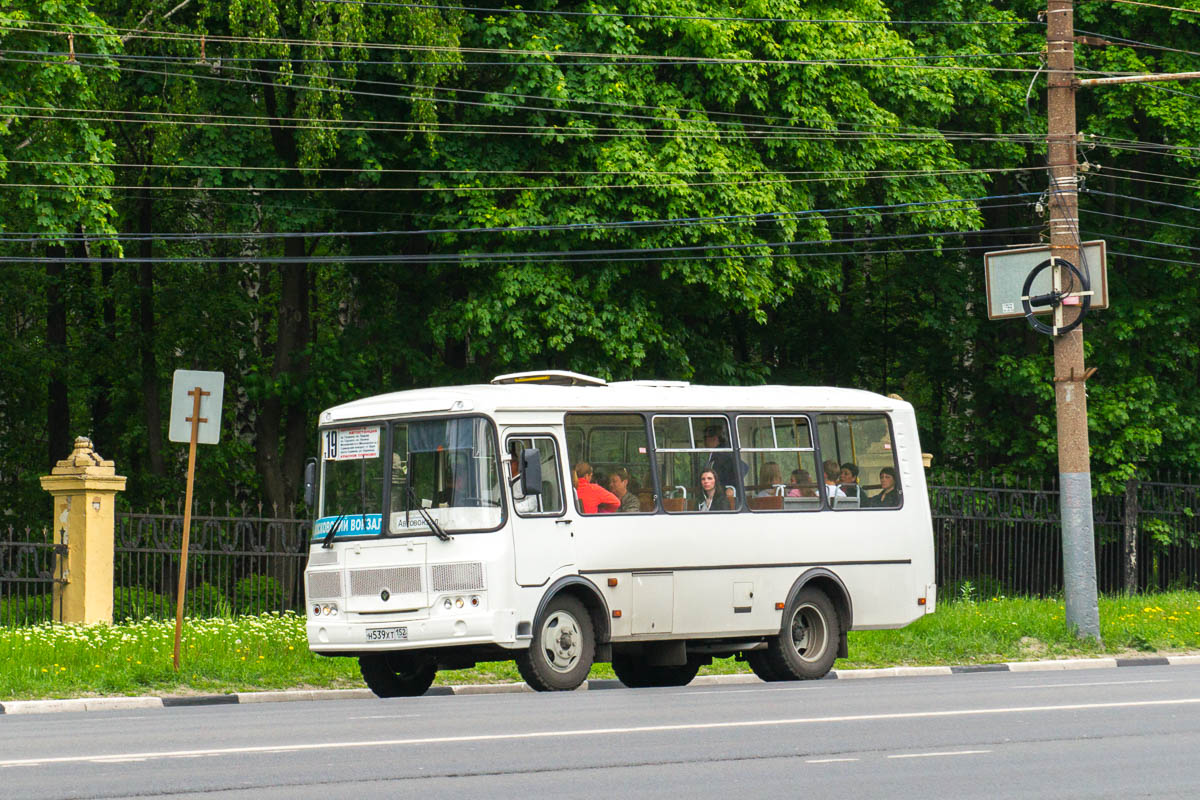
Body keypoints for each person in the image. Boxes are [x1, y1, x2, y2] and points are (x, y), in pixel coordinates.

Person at [702, 424, 746, 502]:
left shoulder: (724, 453)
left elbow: (743, 467)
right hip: (716, 495)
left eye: (705, 438)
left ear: (715, 438)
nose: (704, 441)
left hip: (725, 498)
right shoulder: (715, 454)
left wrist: (731, 487)